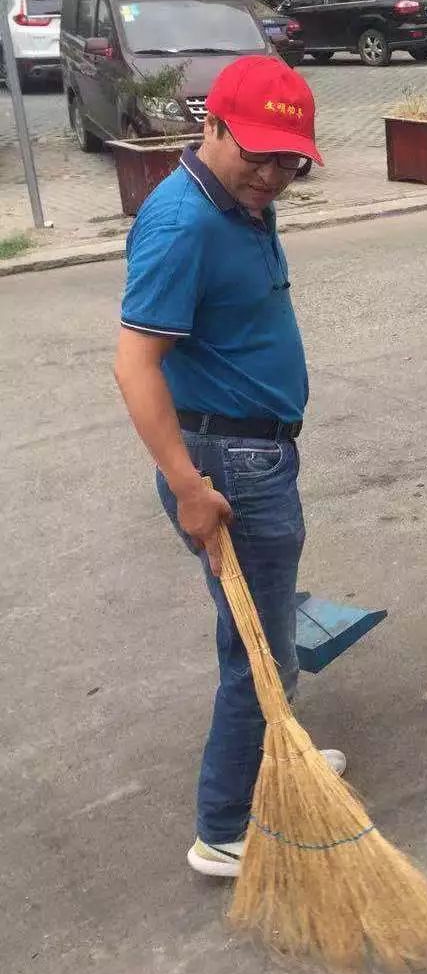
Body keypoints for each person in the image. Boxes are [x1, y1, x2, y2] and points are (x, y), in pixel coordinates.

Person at [114, 55, 340, 879]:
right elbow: (135, 363)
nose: (272, 176)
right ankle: (224, 827)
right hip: (227, 464)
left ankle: (279, 755)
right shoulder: (185, 223)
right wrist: (188, 485)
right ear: (209, 125)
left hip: (255, 450)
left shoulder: (240, 200)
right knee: (260, 651)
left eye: (290, 162)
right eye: (257, 155)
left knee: (259, 630)